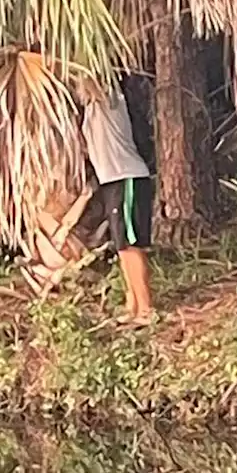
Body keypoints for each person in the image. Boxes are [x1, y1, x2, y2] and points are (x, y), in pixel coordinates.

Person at [80, 78, 156, 326]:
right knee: (122, 245)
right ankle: (132, 305)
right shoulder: (90, 110)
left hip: (128, 178)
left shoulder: (110, 99)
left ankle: (146, 309)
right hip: (112, 182)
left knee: (131, 245)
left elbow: (89, 80)